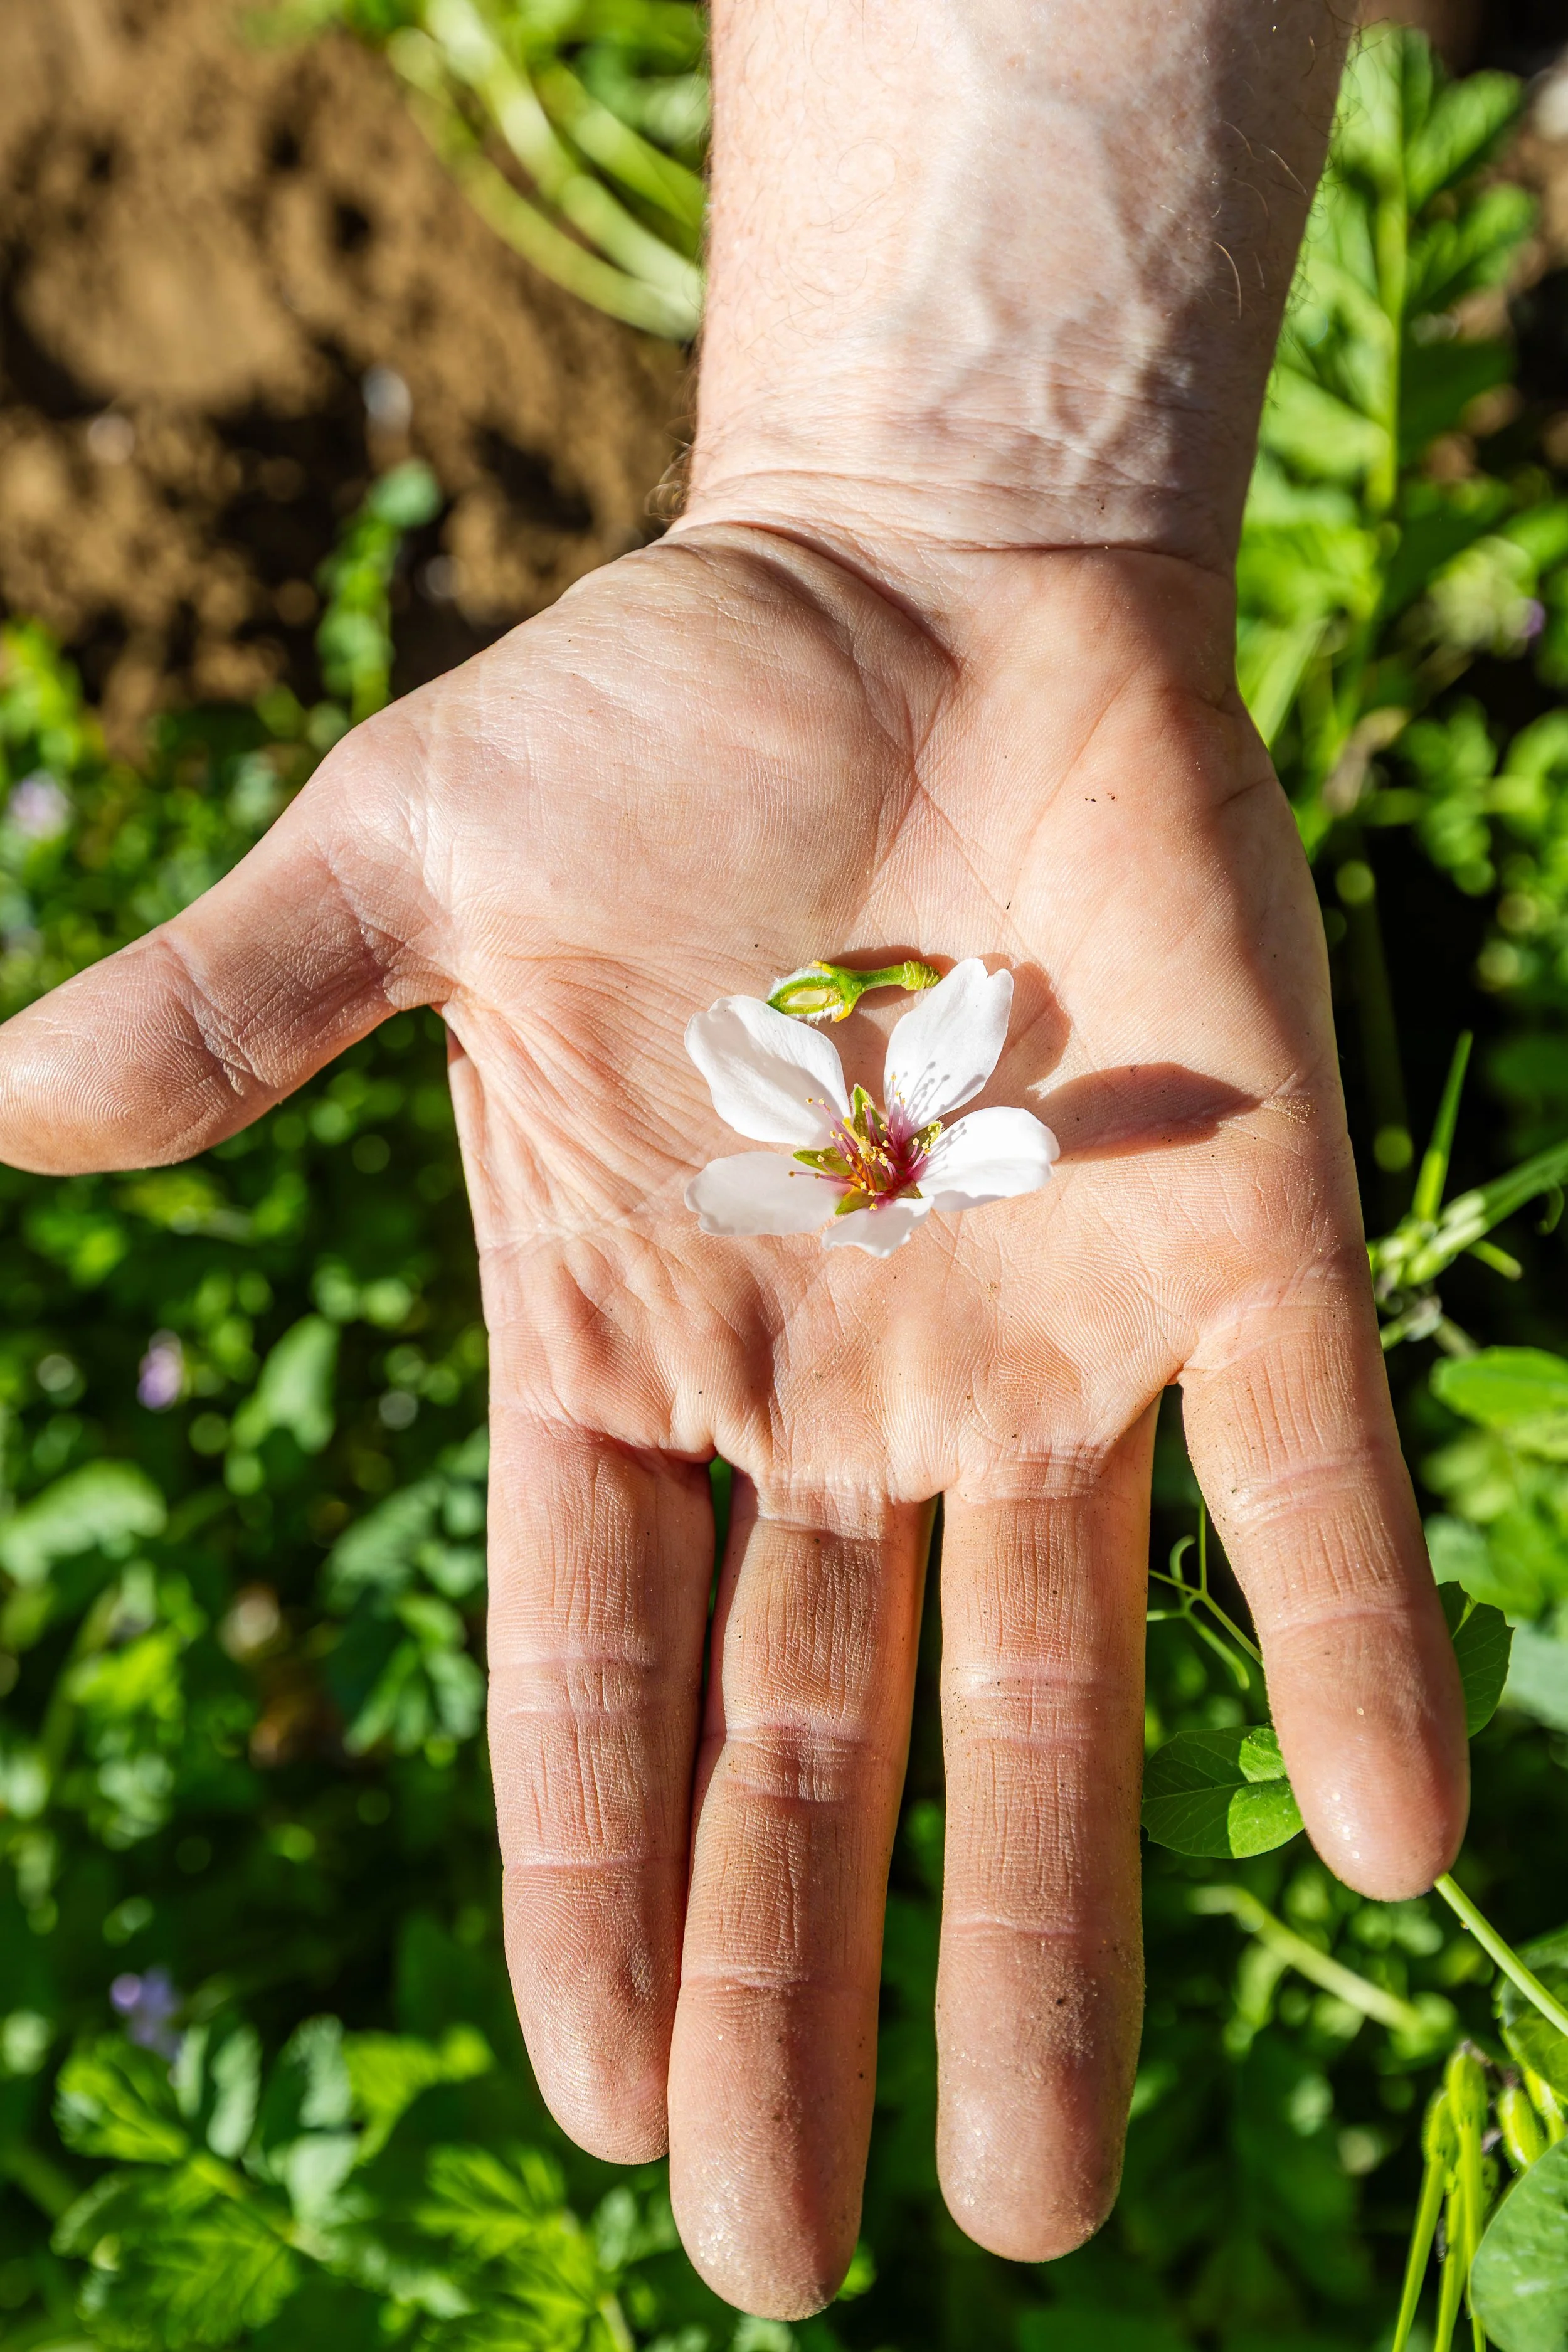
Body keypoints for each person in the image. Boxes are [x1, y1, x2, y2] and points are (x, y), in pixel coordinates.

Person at [0, 0, 1468, 2321]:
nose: (875, 1139)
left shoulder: (903, 1121)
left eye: (879, 1126)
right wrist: (934, 484)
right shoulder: (854, 1128)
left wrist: (940, 511)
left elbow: (903, 1137)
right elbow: (854, 1147)